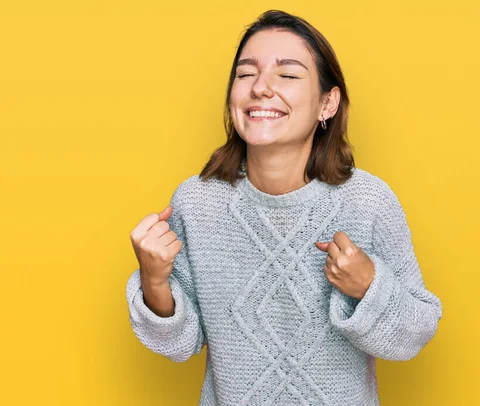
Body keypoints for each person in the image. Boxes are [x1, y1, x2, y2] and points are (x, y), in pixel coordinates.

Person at [126, 9, 443, 406]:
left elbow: (414, 335)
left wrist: (368, 285)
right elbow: (178, 344)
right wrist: (154, 280)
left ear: (327, 103)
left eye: (288, 75)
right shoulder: (196, 202)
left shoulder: (369, 201)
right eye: (245, 74)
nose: (260, 88)